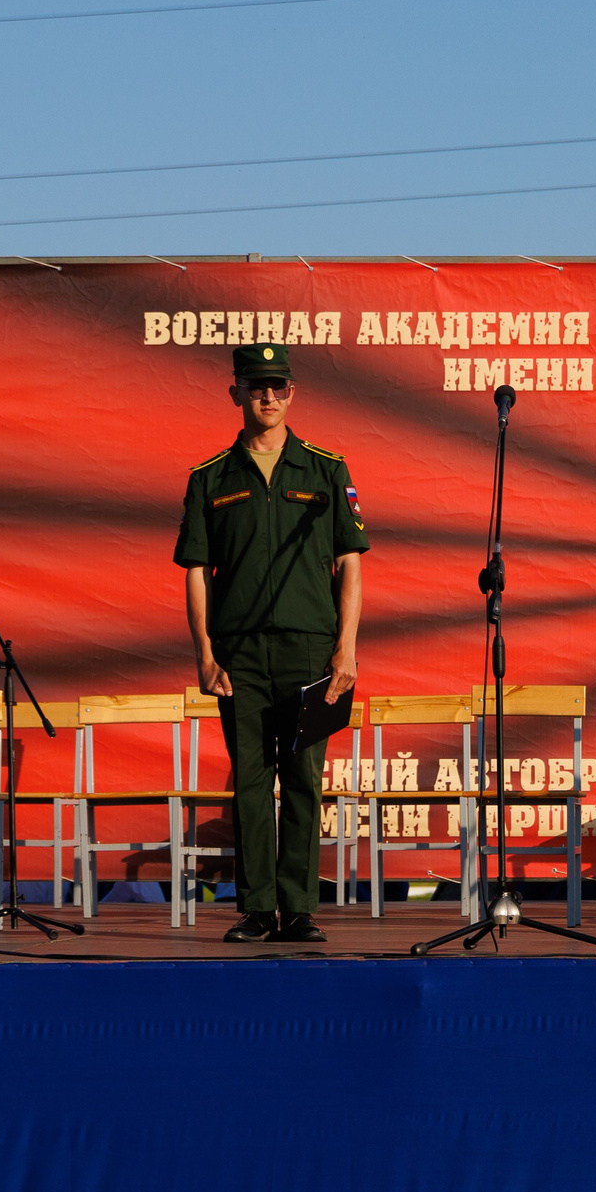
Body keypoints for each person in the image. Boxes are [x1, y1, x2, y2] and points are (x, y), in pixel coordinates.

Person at [175, 343, 366, 944]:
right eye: (257, 385)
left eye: (279, 386)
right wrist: (205, 654)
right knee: (252, 778)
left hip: (312, 648)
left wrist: (347, 649)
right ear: (235, 392)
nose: (268, 396)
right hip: (240, 656)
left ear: (293, 393)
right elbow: (195, 572)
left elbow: (351, 563)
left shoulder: (325, 468)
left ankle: (300, 907)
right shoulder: (209, 477)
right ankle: (258, 908)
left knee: (305, 777)